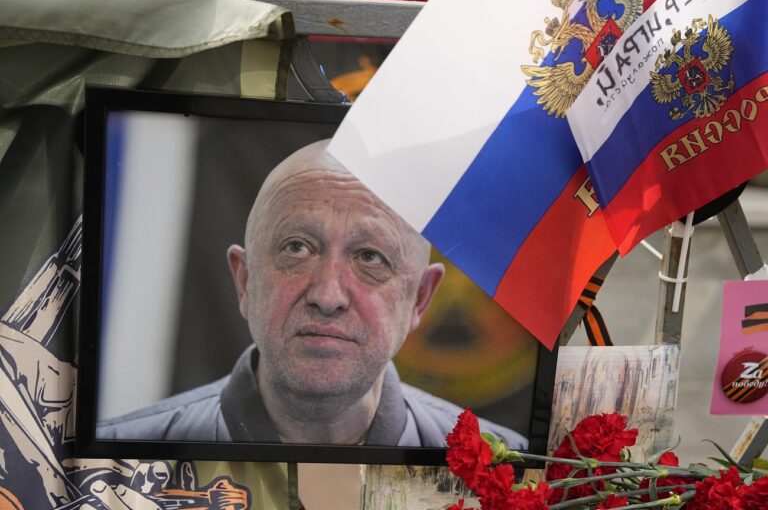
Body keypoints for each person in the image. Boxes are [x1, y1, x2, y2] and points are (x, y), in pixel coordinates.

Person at [97, 140, 527, 449]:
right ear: (244, 280)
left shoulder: (503, 475)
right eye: (297, 248)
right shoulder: (117, 461)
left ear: (420, 298)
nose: (328, 294)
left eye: (370, 257)